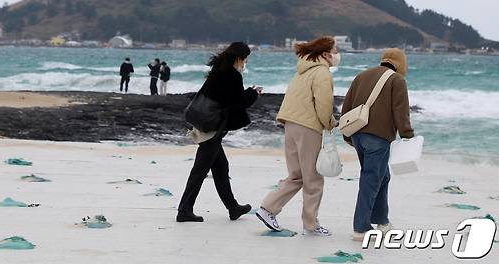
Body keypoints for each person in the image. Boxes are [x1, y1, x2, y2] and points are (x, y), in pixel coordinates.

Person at [256, 36, 339, 236]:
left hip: (290, 125)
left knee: (297, 175)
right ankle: (311, 225)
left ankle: (267, 208)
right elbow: (324, 105)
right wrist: (331, 123)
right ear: (326, 54)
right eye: (335, 51)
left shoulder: (302, 71)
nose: (337, 55)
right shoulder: (322, 73)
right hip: (308, 127)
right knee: (313, 179)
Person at [177, 42, 261, 222]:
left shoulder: (218, 71)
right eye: (245, 59)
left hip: (204, 123)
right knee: (200, 170)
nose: (245, 62)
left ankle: (233, 207)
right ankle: (184, 210)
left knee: (221, 167)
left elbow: (226, 98)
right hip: (212, 128)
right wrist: (253, 94)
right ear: (239, 58)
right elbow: (238, 103)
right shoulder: (232, 76)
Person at [341, 48, 414, 241]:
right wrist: (407, 135)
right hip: (378, 137)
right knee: (371, 179)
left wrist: (348, 136)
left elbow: (346, 105)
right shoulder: (397, 80)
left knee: (382, 176)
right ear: (401, 63)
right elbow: (401, 111)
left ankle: (382, 221)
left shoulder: (362, 75)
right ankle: (361, 228)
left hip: (357, 135)